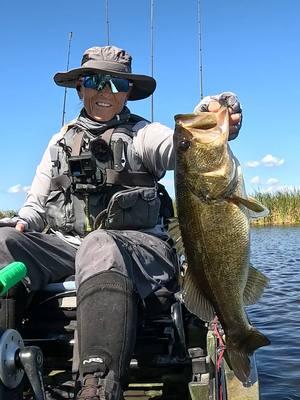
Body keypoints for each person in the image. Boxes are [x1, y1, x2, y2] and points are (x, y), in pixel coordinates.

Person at [0, 45, 242, 400]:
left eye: (115, 83)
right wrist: (20, 223)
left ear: (128, 91)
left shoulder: (144, 134)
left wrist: (211, 118)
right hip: (67, 246)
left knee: (100, 244)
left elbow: (181, 147)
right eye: (94, 80)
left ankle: (98, 385)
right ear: (80, 86)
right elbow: (34, 206)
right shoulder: (59, 142)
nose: (104, 91)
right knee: (4, 241)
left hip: (141, 249)